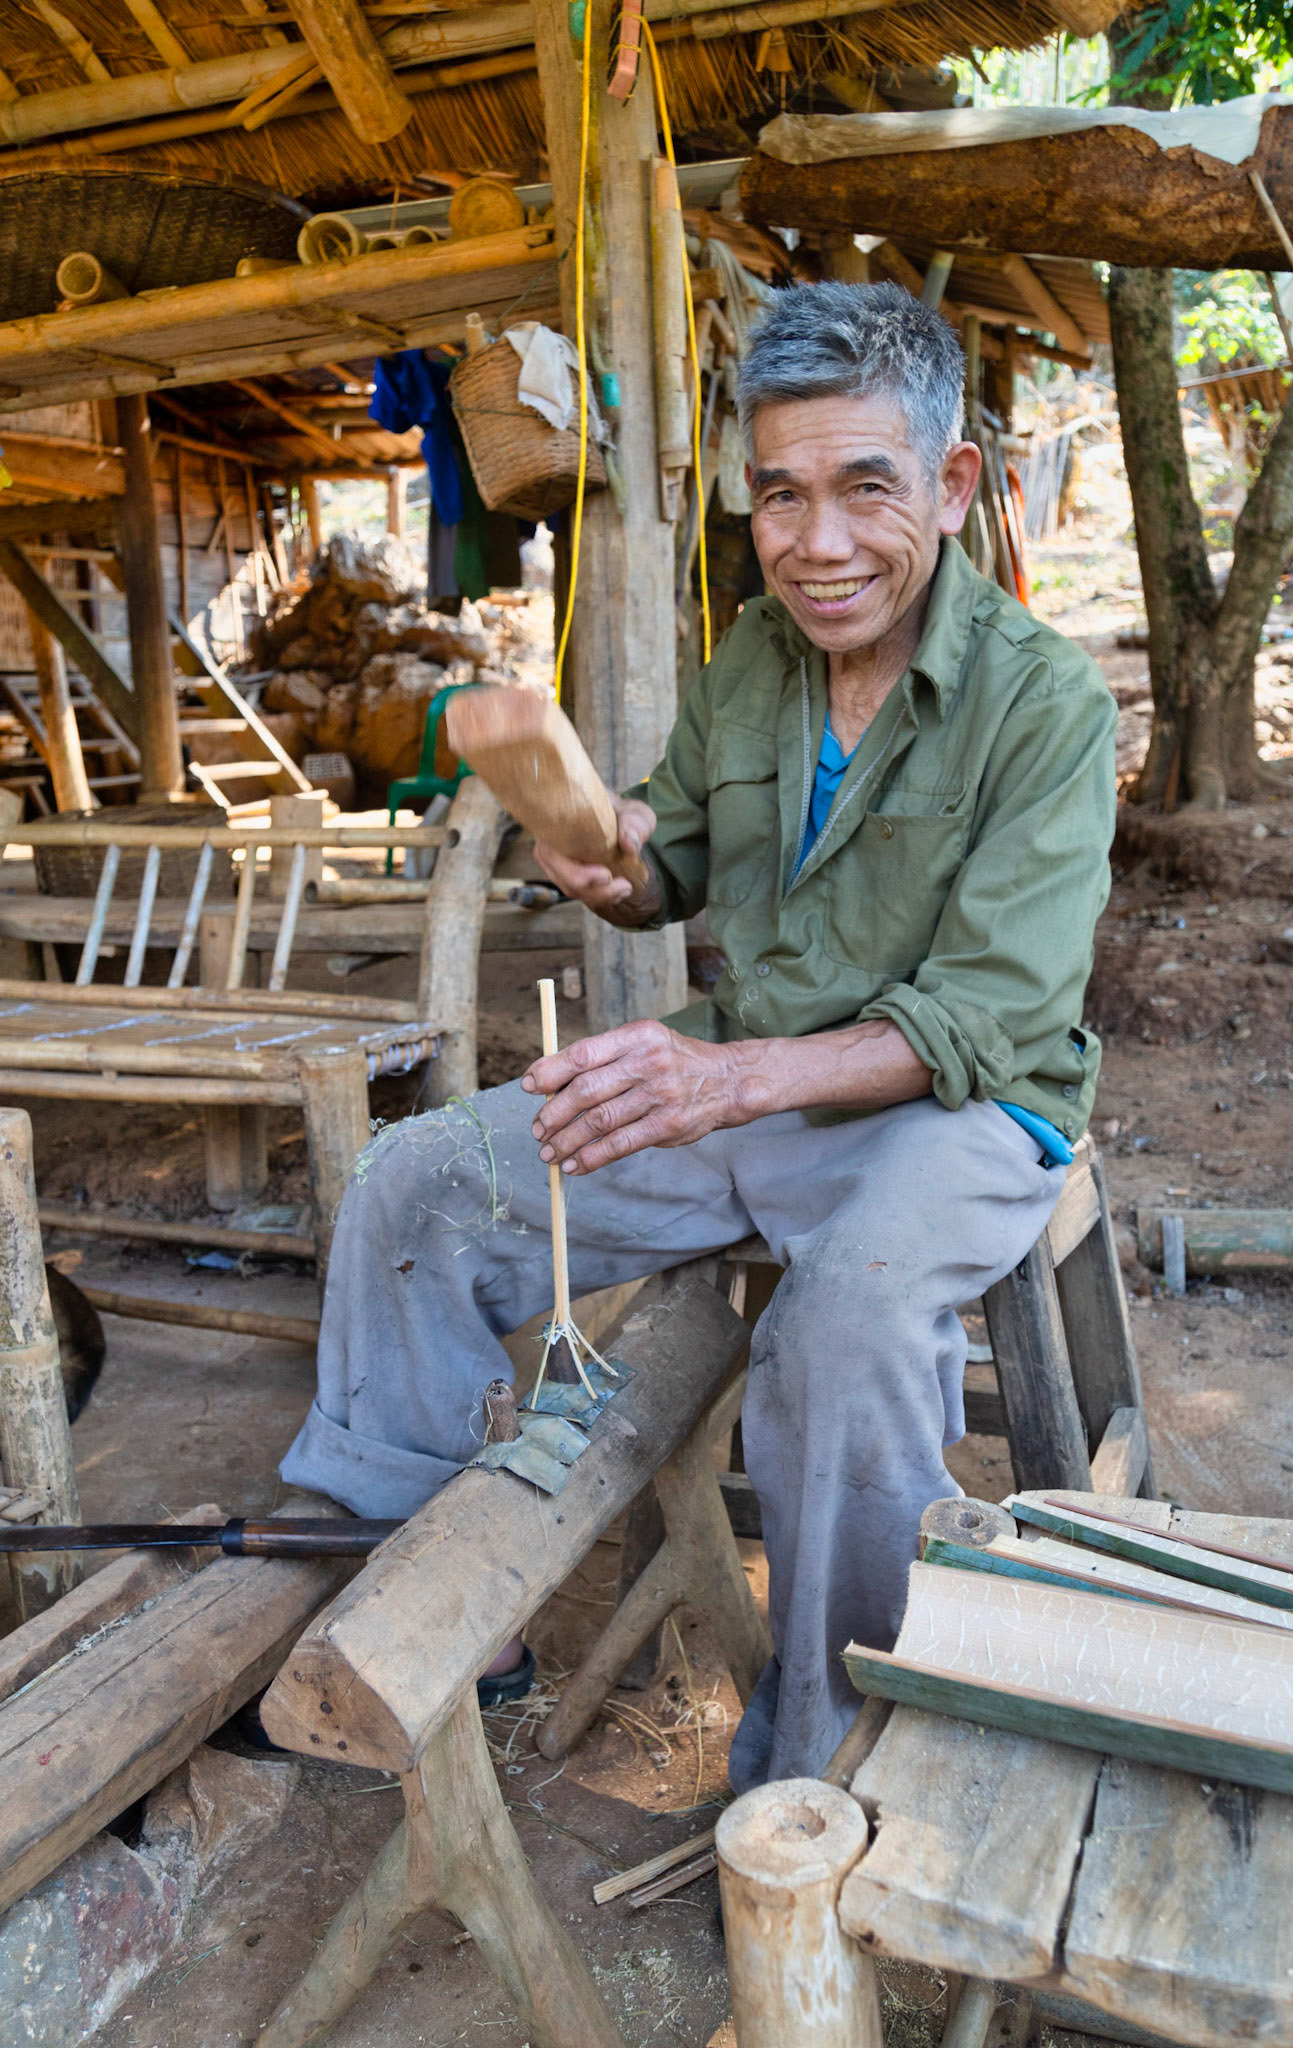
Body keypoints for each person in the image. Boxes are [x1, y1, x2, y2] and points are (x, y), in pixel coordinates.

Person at [282, 281, 1117, 1789]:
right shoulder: (753, 658)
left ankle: (831, 1756)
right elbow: (669, 857)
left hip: (958, 1111)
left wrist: (721, 1077)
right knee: (418, 1184)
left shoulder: (1040, 703)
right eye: (780, 497)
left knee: (846, 1323)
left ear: (950, 482)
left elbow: (992, 1015)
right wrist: (614, 859)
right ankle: (439, 1613)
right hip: (743, 1089)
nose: (817, 545)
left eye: (867, 489)